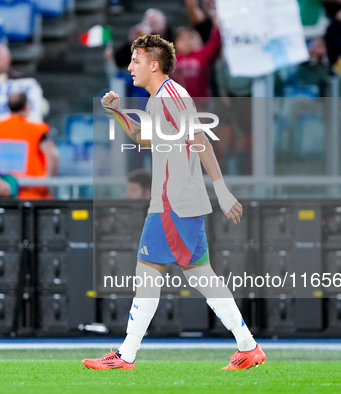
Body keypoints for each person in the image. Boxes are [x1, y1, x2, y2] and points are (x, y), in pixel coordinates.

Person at [83, 34, 265, 370]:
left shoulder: (170, 97)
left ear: (154, 64)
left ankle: (125, 356)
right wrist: (117, 112)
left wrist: (222, 189)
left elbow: (199, 140)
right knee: (201, 277)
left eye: (135, 61)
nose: (129, 67)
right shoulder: (160, 99)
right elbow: (143, 138)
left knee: (148, 273)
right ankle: (249, 347)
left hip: (172, 204)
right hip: (181, 203)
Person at [0, 92, 58, 199]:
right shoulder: (38, 130)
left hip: (2, 192)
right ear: (27, 108)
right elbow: (53, 155)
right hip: (33, 194)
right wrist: (49, 182)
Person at [172, 25, 221, 99]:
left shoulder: (202, 54)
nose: (187, 42)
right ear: (175, 43)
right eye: (182, 39)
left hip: (201, 102)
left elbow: (215, 43)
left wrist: (217, 26)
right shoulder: (171, 58)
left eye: (190, 37)